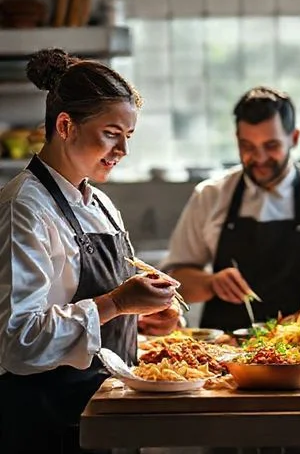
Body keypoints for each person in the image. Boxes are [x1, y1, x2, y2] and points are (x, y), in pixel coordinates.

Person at [0, 48, 182, 454]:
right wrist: (117, 303)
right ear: (66, 126)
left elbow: (93, 308)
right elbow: (19, 341)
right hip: (48, 418)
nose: (123, 151)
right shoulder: (24, 208)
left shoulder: (99, 204)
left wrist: (138, 318)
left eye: (128, 137)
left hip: (102, 406)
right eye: (112, 134)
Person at [161, 85, 300, 331]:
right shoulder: (210, 195)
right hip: (222, 351)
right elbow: (174, 283)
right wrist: (210, 283)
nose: (259, 158)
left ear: (294, 138)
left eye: (271, 146)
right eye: (247, 147)